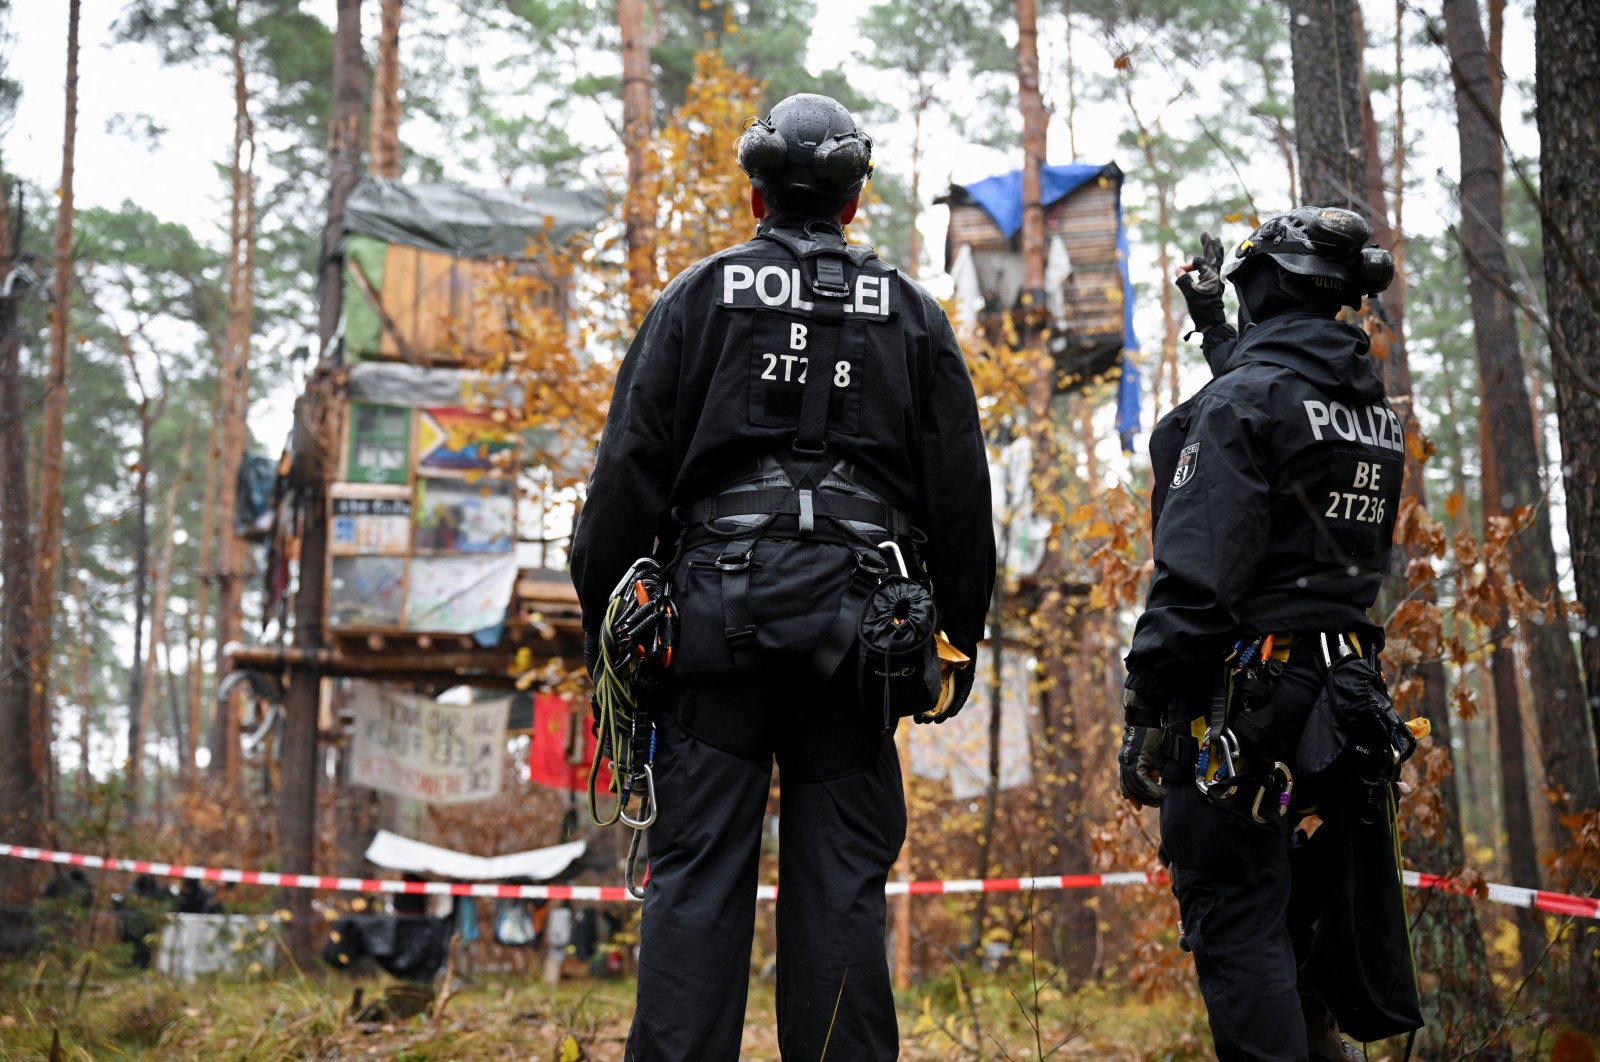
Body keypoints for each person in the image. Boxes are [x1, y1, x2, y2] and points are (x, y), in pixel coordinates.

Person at [570, 92, 995, 1061]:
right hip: (861, 644)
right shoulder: (915, 319)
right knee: (842, 885)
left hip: (711, 632)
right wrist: (955, 649)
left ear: (755, 199)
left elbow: (625, 480)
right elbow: (962, 505)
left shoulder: (696, 296)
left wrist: (606, 637)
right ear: (854, 205)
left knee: (696, 884)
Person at [1117, 207, 1414, 1060]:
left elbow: (1197, 583)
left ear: (1268, 286)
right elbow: (1274, 396)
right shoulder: (1363, 408)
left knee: (1240, 925)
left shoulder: (1247, 403)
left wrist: (1146, 704)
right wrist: (1212, 325)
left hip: (1245, 701)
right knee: (1304, 930)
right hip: (1343, 699)